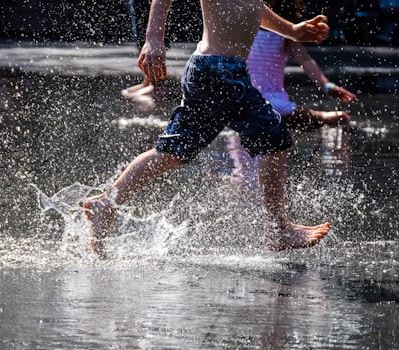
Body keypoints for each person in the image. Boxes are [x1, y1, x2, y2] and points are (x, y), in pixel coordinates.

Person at [83, 0, 332, 258]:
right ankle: (278, 228)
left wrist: (292, 30)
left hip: (212, 70)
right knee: (274, 136)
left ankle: (106, 203)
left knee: (172, 152)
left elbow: (252, 8)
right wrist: (153, 39)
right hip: (220, 70)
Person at [249, 0, 357, 131]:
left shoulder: (285, 32)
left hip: (274, 97)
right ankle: (320, 117)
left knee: (272, 110)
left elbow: (305, 60)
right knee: (253, 110)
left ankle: (318, 117)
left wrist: (327, 85)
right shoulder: (244, 26)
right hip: (246, 95)